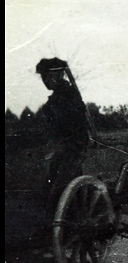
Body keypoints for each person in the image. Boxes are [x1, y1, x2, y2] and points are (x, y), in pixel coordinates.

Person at [34, 58, 91, 210]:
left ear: (56, 76)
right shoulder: (60, 96)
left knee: (57, 191)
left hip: (73, 148)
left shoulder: (66, 96)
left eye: (45, 77)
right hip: (64, 149)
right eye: (43, 77)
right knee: (51, 184)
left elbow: (66, 123)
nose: (44, 81)